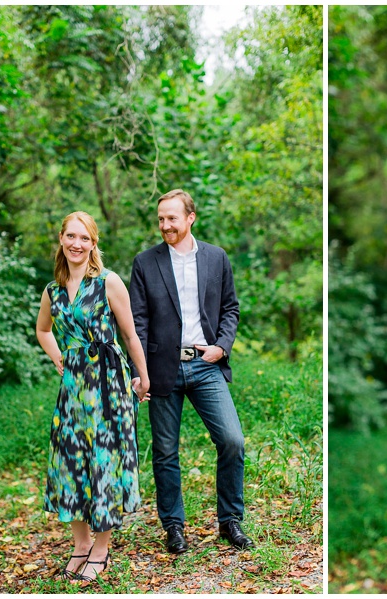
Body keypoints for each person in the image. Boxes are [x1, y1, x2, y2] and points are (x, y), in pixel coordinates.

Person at [129, 188, 253, 554]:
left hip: (205, 365)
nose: (165, 225)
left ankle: (230, 521)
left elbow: (231, 308)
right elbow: (137, 322)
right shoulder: (145, 262)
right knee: (166, 451)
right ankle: (174, 527)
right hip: (161, 369)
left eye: (172, 218)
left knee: (232, 440)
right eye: (161, 219)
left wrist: (221, 348)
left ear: (190, 218)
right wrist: (139, 371)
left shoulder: (216, 258)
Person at [36, 211, 150, 583]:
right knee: (72, 462)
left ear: (93, 243)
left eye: (84, 238)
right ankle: (80, 545)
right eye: (71, 236)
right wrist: (59, 357)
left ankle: (101, 548)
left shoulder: (108, 282)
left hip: (107, 384)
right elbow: (43, 329)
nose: (76, 244)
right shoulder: (52, 289)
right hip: (73, 388)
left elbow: (130, 335)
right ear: (61, 239)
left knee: (103, 460)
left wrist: (142, 375)